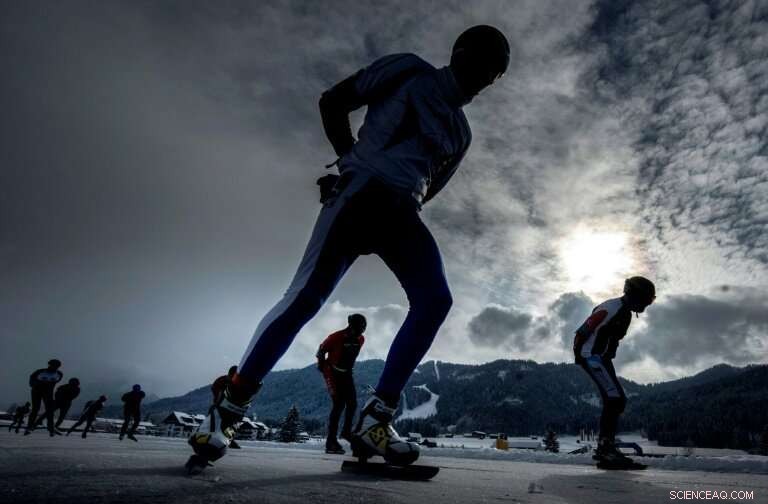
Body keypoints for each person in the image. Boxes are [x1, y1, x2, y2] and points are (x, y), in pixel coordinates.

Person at [188, 24, 511, 467]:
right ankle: (226, 411)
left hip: (401, 212)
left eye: (494, 76)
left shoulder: (461, 133)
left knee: (435, 300)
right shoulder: (408, 70)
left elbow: (430, 187)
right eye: (482, 65)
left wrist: (401, 198)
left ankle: (375, 421)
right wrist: (347, 164)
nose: (484, 80)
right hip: (359, 193)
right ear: (459, 53)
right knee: (305, 299)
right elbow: (333, 101)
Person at [573, 276, 656, 466]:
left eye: (650, 301)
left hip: (600, 358)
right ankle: (605, 450)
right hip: (592, 357)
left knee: (616, 400)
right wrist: (581, 356)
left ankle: (606, 448)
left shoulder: (625, 312)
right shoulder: (611, 308)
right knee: (615, 399)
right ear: (635, 296)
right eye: (646, 300)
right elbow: (583, 330)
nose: (647, 305)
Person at [317, 314, 366, 454]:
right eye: (359, 329)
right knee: (338, 405)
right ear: (351, 325)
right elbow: (321, 350)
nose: (360, 332)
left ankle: (346, 431)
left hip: (347, 373)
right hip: (331, 372)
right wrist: (321, 365)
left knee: (352, 403)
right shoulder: (336, 336)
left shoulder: (361, 339)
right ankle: (330, 442)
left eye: (363, 329)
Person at [24, 359, 64, 436]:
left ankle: (50, 428)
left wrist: (38, 384)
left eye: (56, 366)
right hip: (37, 392)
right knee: (36, 409)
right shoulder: (40, 371)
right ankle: (29, 427)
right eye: (53, 366)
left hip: (46, 392)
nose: (54, 367)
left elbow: (56, 381)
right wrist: (34, 385)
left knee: (49, 410)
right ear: (49, 365)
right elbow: (31, 378)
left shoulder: (59, 373)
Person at [210, 366, 241, 449]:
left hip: (228, 407)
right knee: (217, 423)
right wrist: (218, 401)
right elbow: (216, 391)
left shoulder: (235, 382)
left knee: (228, 425)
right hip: (220, 406)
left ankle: (230, 440)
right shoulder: (223, 381)